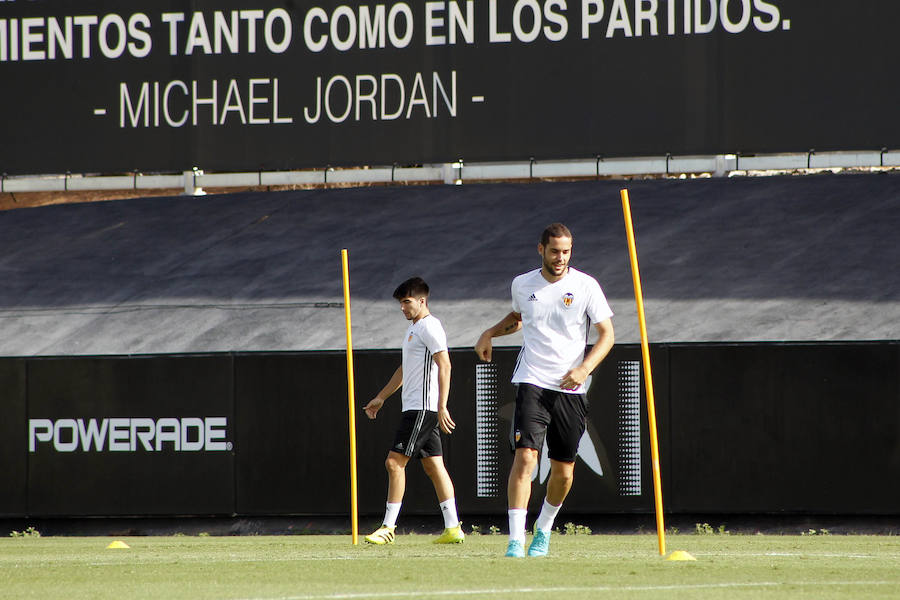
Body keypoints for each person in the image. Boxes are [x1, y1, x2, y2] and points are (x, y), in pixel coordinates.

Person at [475, 223, 614, 558]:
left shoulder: (585, 286)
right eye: (554, 251)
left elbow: (607, 334)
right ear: (541, 250)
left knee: (564, 472)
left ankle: (544, 529)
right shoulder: (523, 284)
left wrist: (583, 368)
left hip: (570, 388)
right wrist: (489, 333)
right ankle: (514, 541)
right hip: (532, 380)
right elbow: (520, 317)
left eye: (566, 251)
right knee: (525, 458)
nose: (560, 258)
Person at [363, 277, 465, 545]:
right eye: (400, 303)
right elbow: (403, 370)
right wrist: (381, 397)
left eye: (407, 302)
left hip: (422, 409)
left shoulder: (430, 326)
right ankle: (453, 528)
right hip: (417, 408)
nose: (402, 308)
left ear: (422, 301)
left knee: (394, 463)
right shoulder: (414, 329)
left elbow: (445, 364)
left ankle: (388, 527)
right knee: (434, 466)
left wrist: (441, 405)